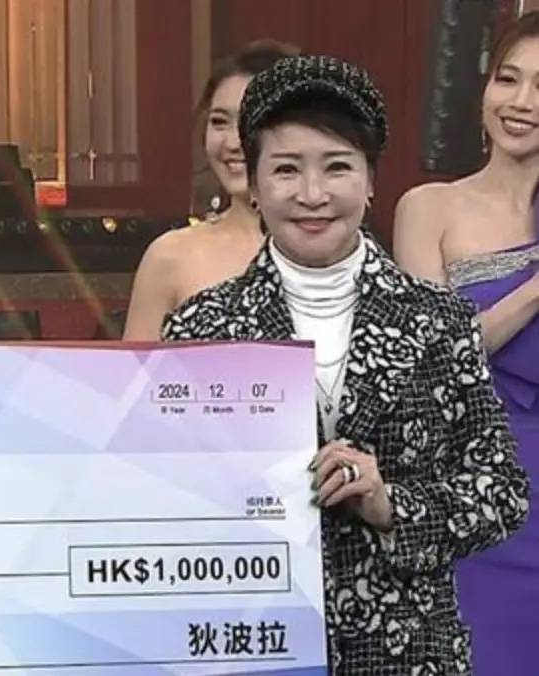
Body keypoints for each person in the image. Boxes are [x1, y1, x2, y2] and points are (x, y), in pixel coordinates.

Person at [163, 54, 529, 673]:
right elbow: (164, 495)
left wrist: (389, 505)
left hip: (406, 654)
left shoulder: (438, 321)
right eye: (286, 169)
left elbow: (500, 494)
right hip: (254, 646)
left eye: (337, 167)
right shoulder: (203, 327)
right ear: (254, 185)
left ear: (370, 180)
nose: (313, 194)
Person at [393, 14, 539, 673]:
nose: (521, 101)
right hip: (475, 489)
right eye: (508, 79)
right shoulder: (429, 207)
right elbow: (432, 362)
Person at [123, 40, 298, 340]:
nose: (232, 142)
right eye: (219, 122)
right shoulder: (169, 257)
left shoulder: (349, 256)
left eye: (253, 122)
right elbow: (135, 370)